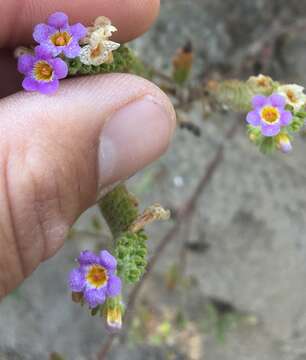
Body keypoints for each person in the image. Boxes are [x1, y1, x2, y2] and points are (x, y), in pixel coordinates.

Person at [0, 0, 175, 299]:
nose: (60, 40)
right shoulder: (50, 60)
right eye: (97, 275)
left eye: (97, 275)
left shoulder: (58, 48)